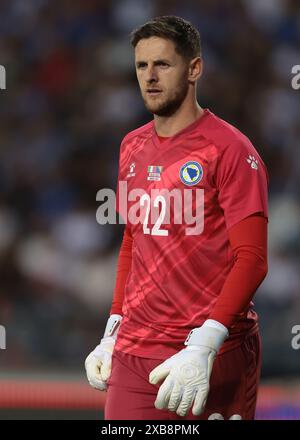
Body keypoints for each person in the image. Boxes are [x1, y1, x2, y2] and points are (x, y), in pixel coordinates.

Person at [85, 15, 268, 420]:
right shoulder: (130, 146)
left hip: (212, 352)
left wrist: (206, 344)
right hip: (135, 351)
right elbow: (134, 239)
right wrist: (113, 328)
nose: (149, 77)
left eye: (162, 64)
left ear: (194, 69)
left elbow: (252, 258)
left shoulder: (231, 150)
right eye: (141, 66)